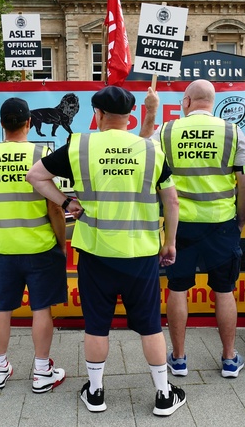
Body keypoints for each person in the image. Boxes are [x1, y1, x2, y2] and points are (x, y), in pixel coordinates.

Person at [26, 86, 186, 416]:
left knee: (97, 325)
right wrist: (170, 242)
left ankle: (96, 393)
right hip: (140, 253)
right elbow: (172, 201)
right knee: (150, 325)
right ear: (130, 116)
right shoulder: (150, 149)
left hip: (95, 252)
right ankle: (163, 394)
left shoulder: (80, 146)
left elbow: (36, 176)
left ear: (97, 114)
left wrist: (67, 203)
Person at [140, 79, 245, 378]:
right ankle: (229, 359)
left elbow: (141, 152)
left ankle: (178, 360)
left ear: (187, 102)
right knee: (225, 290)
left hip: (180, 227)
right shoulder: (233, 132)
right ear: (212, 102)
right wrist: (239, 222)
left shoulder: (167, 131)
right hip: (222, 224)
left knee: (178, 288)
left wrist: (150, 112)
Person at [0, 97, 68, 393]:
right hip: (40, 246)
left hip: (3, 248)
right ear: (29, 122)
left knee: (1, 310)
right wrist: (61, 243)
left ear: (1, 124)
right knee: (41, 309)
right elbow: (55, 207)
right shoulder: (42, 153)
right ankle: (41, 372)